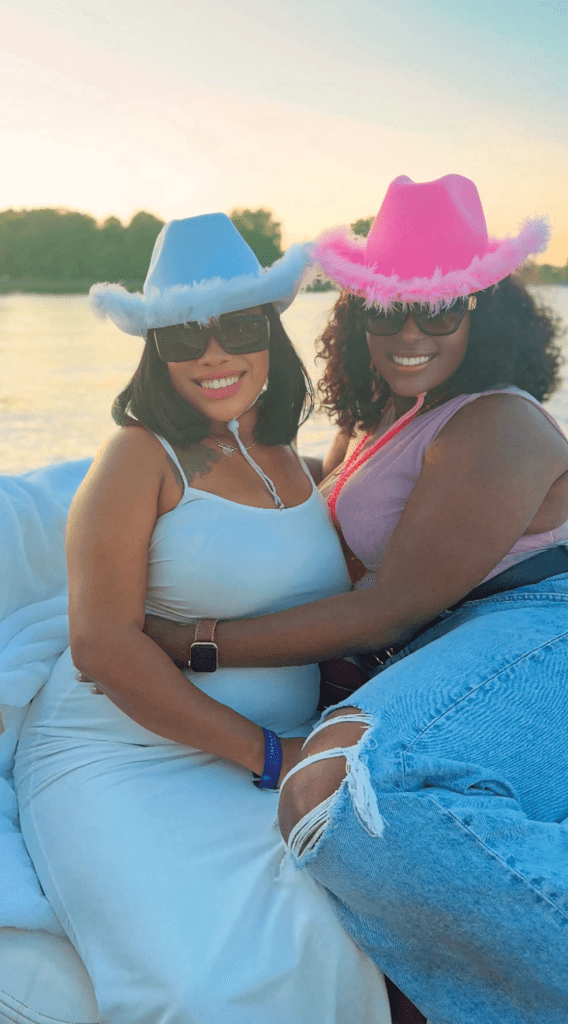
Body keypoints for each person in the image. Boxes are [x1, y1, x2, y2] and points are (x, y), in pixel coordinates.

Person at [143, 175, 568, 1024]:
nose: (409, 334)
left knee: (336, 787)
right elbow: (316, 496)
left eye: (439, 310)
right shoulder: (384, 415)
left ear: (485, 310)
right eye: (385, 310)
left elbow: (388, 608)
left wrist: (193, 641)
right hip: (440, 650)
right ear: (356, 315)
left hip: (533, 628)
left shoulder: (499, 422)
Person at [12, 212, 391, 1024]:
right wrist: (272, 755)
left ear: (270, 333)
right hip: (122, 759)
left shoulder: (294, 455)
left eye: (238, 328)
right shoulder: (139, 454)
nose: (215, 354)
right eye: (186, 336)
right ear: (157, 350)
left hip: (259, 766)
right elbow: (102, 644)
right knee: (196, 988)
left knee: (336, 941)